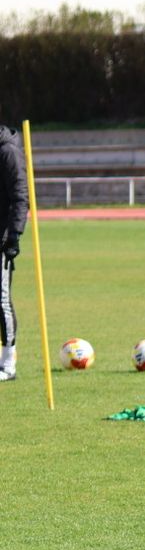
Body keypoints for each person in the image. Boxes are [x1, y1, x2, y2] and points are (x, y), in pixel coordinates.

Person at [0, 105, 28, 382]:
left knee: (1, 299)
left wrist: (14, 236)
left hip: (1, 238)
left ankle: (8, 364)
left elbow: (20, 195)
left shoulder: (7, 151)